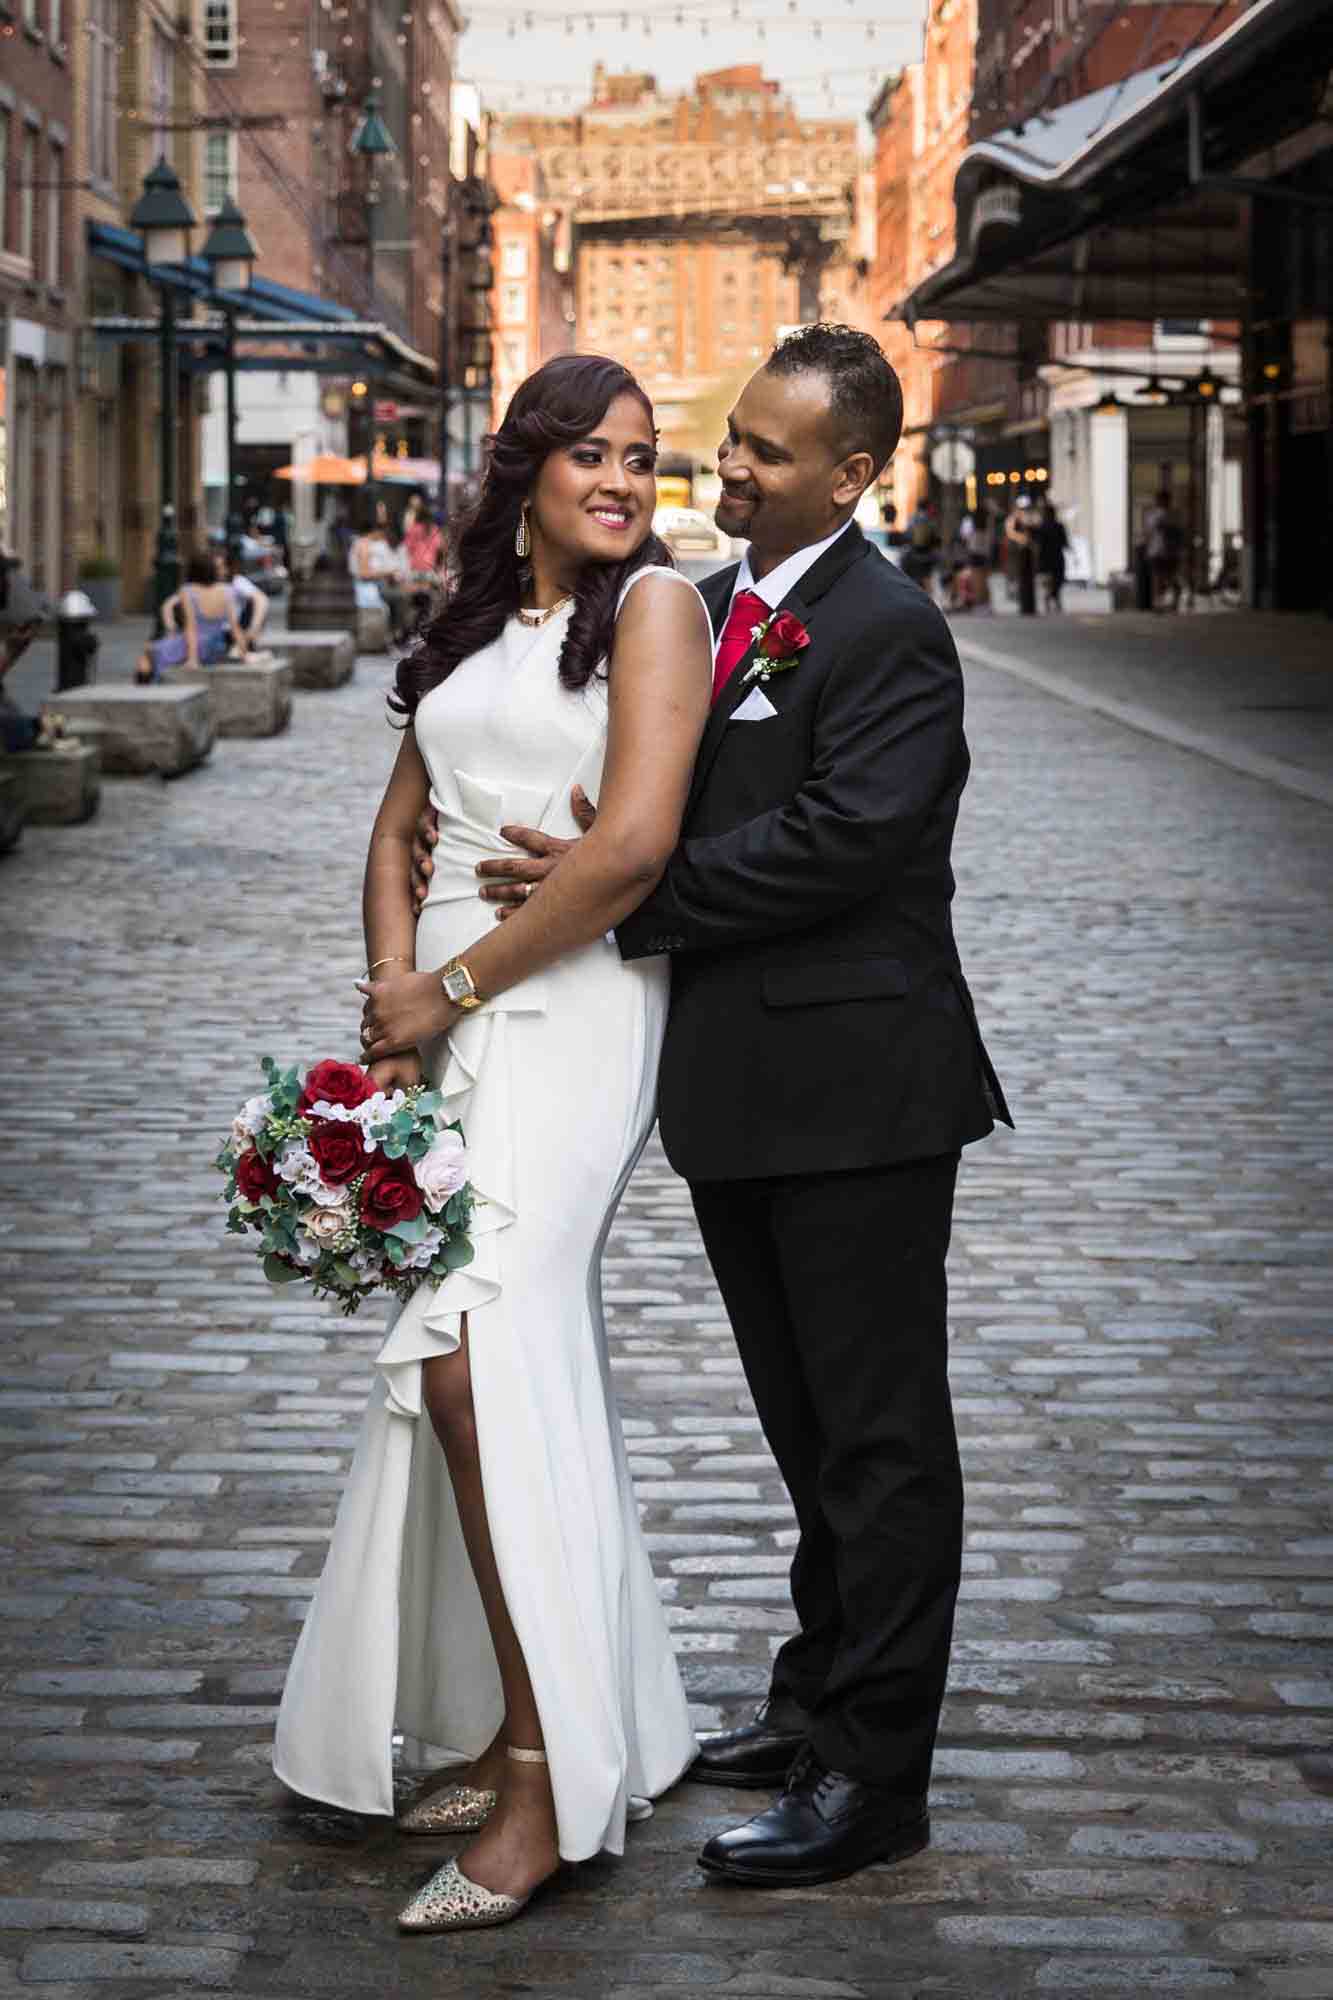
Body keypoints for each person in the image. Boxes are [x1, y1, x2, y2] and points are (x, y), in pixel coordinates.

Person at [413, 325, 1012, 1891]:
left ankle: (876, 1778)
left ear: (853, 474)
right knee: (805, 1432)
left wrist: (628, 892)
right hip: (745, 1093)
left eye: (761, 448)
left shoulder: (885, 629)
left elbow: (845, 841)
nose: (722, 464)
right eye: (730, 437)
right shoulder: (733, 610)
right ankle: (814, 1701)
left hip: (865, 1094)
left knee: (880, 1444)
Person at [272, 355, 713, 1933]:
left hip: (571, 1009)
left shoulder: (658, 610)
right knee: (508, 1371)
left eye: (640, 457)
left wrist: (447, 983)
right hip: (450, 1020)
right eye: (589, 452)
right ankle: (536, 1719)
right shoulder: (470, 627)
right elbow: (399, 830)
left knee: (474, 1357)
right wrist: (397, 998)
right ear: (524, 465)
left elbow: (633, 849)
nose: (618, 479)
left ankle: (543, 1781)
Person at [134, 550, 241, 682]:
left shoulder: (188, 591)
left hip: (196, 646)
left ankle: (147, 691)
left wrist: (193, 659)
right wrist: (245, 654)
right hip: (217, 647)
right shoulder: (227, 590)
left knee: (150, 652)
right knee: (153, 651)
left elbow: (191, 627)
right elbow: (235, 627)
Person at [350, 498, 409, 641]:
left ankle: (397, 632)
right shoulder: (364, 545)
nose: (385, 533)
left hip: (378, 584)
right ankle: (397, 633)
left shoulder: (368, 543)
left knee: (402, 595)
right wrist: (387, 572)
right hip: (370, 587)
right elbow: (364, 574)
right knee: (400, 597)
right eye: (382, 529)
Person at [216, 549, 269, 651]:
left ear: (228, 568)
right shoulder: (200, 586)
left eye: (219, 567)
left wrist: (254, 628)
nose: (216, 571)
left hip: (228, 633)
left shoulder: (236, 581)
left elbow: (261, 599)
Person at [1144, 488, 1183, 611]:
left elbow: (1178, 532)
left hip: (1169, 551)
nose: (1160, 502)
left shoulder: (1173, 515)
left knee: (1170, 578)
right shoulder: (1154, 515)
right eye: (1159, 500)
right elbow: (1149, 533)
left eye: (1162, 500)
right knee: (1158, 578)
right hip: (1158, 551)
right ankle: (1159, 604)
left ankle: (1172, 603)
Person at [1004, 495, 1037, 615]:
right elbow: (1010, 532)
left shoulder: (1030, 517)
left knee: (1028, 580)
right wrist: (1021, 538)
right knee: (1018, 578)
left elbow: (1035, 527)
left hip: (1027, 552)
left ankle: (1029, 606)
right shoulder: (1012, 519)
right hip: (1016, 552)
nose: (1024, 510)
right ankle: (1022, 603)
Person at [1035, 499, 1069, 613]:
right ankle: (1055, 600)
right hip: (1057, 557)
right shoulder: (1059, 526)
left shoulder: (1041, 527)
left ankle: (1049, 600)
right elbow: (1065, 543)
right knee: (1057, 581)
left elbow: (1036, 542)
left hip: (1045, 558)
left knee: (1048, 582)